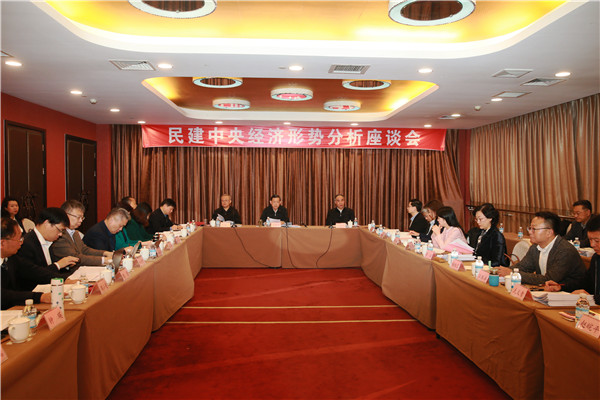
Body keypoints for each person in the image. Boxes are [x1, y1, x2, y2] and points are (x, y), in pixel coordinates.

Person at [497, 212, 585, 292]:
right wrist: (502, 270)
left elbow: (548, 279)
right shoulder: (535, 247)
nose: (530, 232)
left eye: (534, 229)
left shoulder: (565, 250)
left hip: (571, 295)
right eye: (530, 228)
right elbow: (523, 267)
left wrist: (513, 274)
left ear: (549, 232)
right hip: (547, 292)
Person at [14, 208, 79, 291]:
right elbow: (34, 275)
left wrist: (65, 266)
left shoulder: (48, 241)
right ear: (47, 223)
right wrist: (58, 265)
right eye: (60, 230)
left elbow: (48, 269)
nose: (60, 234)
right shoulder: (26, 243)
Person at [546, 215, 600, 303]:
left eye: (597, 241)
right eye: (590, 240)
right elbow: (585, 283)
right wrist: (561, 286)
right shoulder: (596, 258)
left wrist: (593, 298)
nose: (592, 245)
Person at [1, 218, 51, 309]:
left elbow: (34, 271)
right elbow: (3, 294)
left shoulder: (11, 258)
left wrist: (64, 279)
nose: (21, 242)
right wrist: (39, 297)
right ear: (2, 243)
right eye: (19, 239)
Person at [51, 200, 113, 265]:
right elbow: (74, 257)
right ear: (66, 215)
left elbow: (84, 249)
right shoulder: (59, 235)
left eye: (82, 218)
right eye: (78, 217)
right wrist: (103, 260)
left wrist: (105, 253)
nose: (81, 220)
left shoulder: (75, 233)